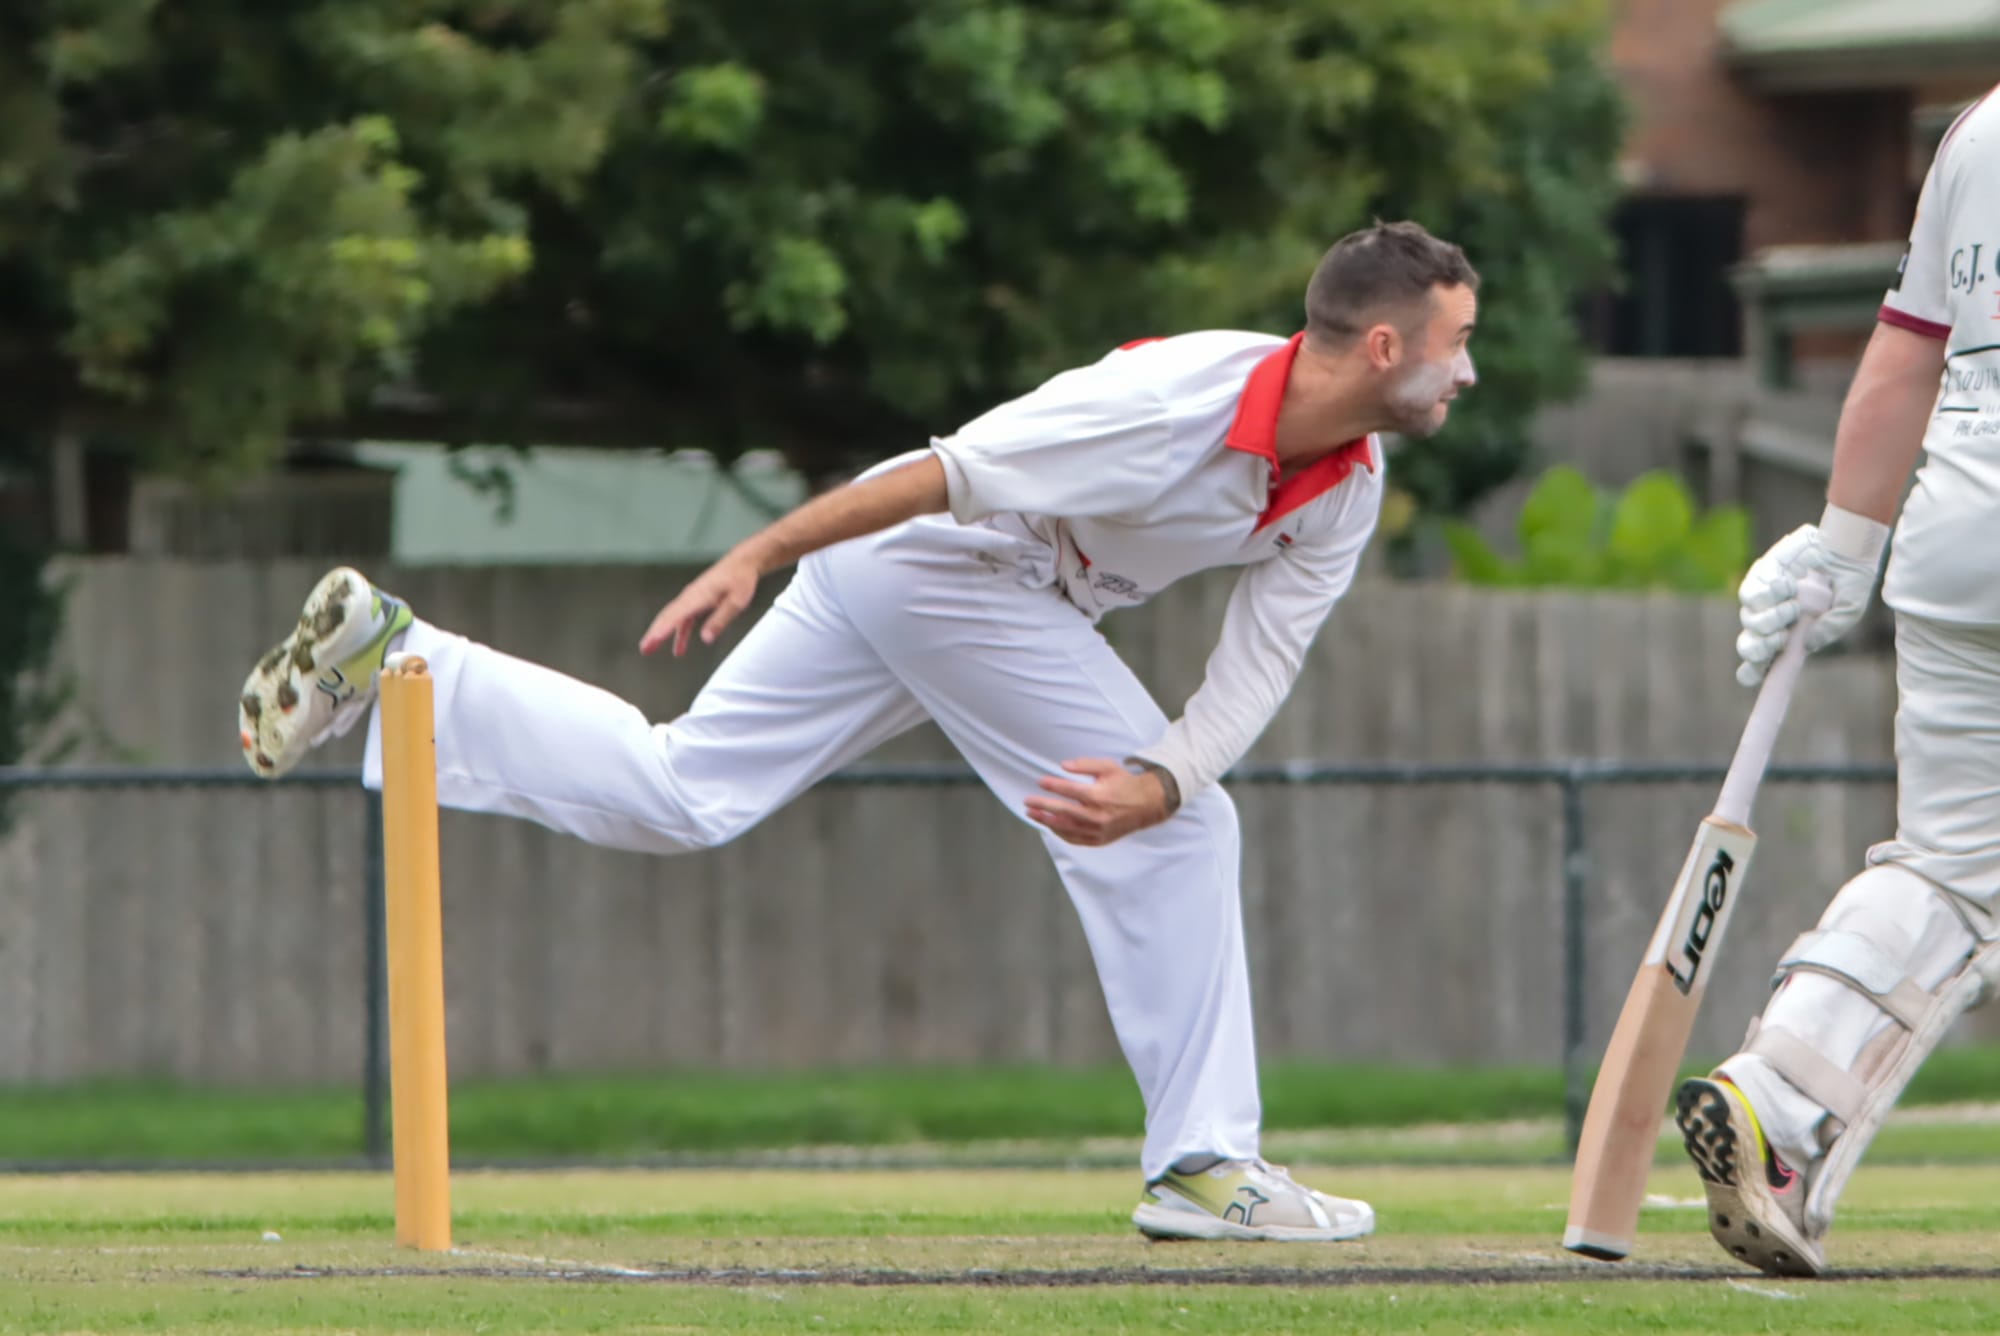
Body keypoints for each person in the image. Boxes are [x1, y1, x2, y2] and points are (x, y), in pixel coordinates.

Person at [238, 220, 1480, 1242]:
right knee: (1188, 836)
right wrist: (762, 548)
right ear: (1383, 345)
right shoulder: (1165, 401)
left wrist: (1160, 774)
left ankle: (406, 657)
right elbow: (947, 469)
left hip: (941, 585)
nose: (1466, 372)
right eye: (1455, 344)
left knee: (687, 796)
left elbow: (1258, 662)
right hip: (943, 562)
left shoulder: (1348, 483)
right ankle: (1206, 1164)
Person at [1675, 92, 2000, 1276]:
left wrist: (1838, 548)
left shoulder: (1975, 132)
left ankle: (1773, 1094)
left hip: (1960, 541)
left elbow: (1905, 347)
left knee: (1947, 874)